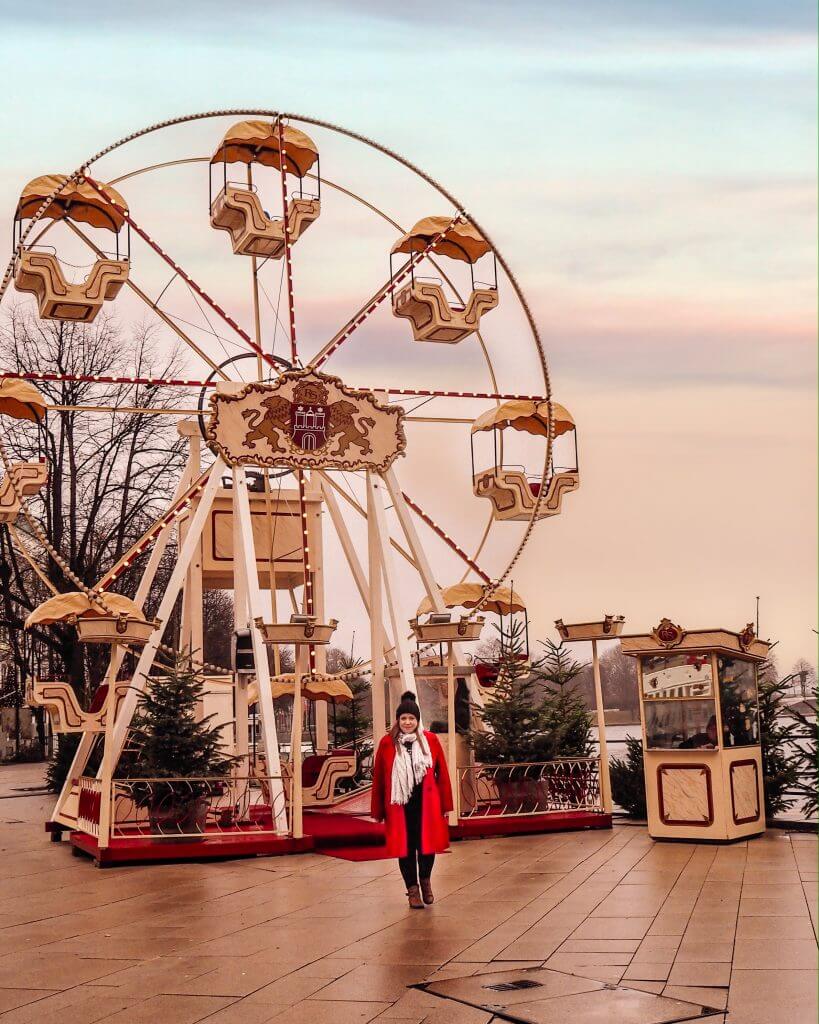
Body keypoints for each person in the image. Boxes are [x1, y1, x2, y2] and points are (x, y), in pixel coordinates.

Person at [371, 690, 453, 909]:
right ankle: (412, 890)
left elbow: (442, 773)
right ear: (398, 720)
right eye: (403, 718)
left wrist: (446, 805)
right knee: (405, 849)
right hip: (399, 805)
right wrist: (378, 810)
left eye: (411, 718)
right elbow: (379, 777)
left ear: (418, 720)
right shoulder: (387, 743)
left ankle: (425, 881)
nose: (407, 722)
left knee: (427, 847)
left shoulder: (430, 741)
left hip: (426, 805)